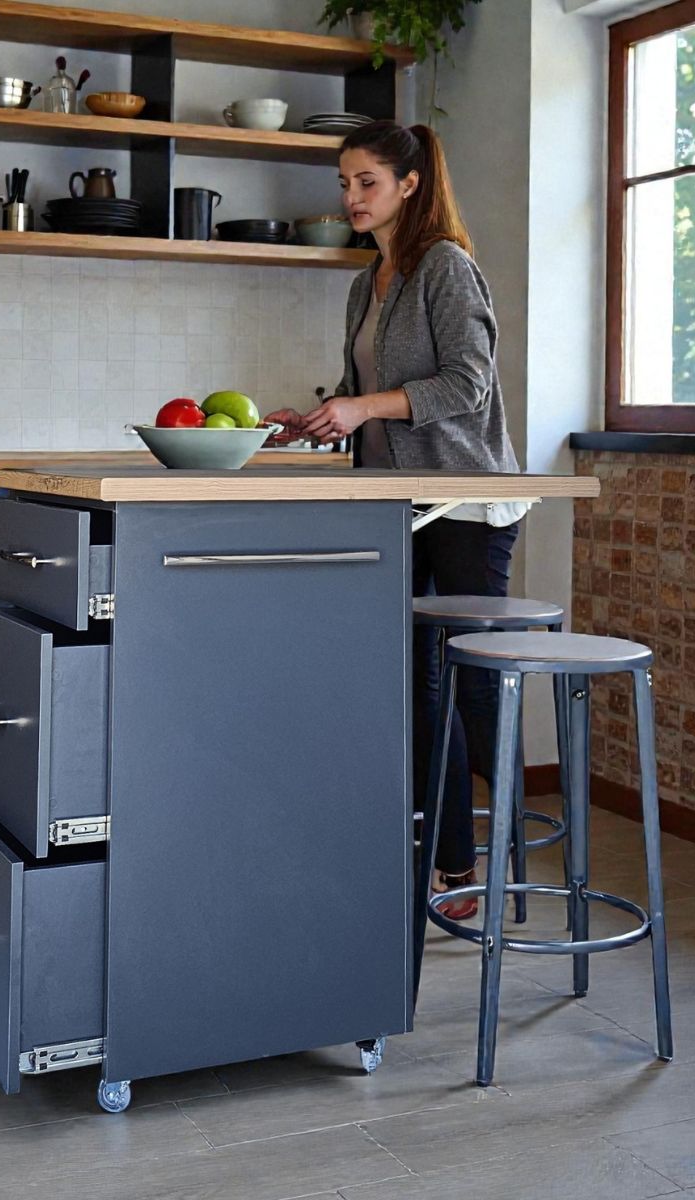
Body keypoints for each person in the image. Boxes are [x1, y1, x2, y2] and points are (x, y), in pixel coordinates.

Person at [266, 121, 526, 920]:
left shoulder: (447, 266)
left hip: (465, 500)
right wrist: (316, 420)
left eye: (366, 182)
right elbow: (370, 404)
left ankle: (487, 862)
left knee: (469, 690)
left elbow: (466, 386)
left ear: (409, 185)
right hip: (399, 501)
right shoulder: (365, 281)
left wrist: (360, 405)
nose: (350, 197)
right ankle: (445, 856)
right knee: (413, 683)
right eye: (344, 183)